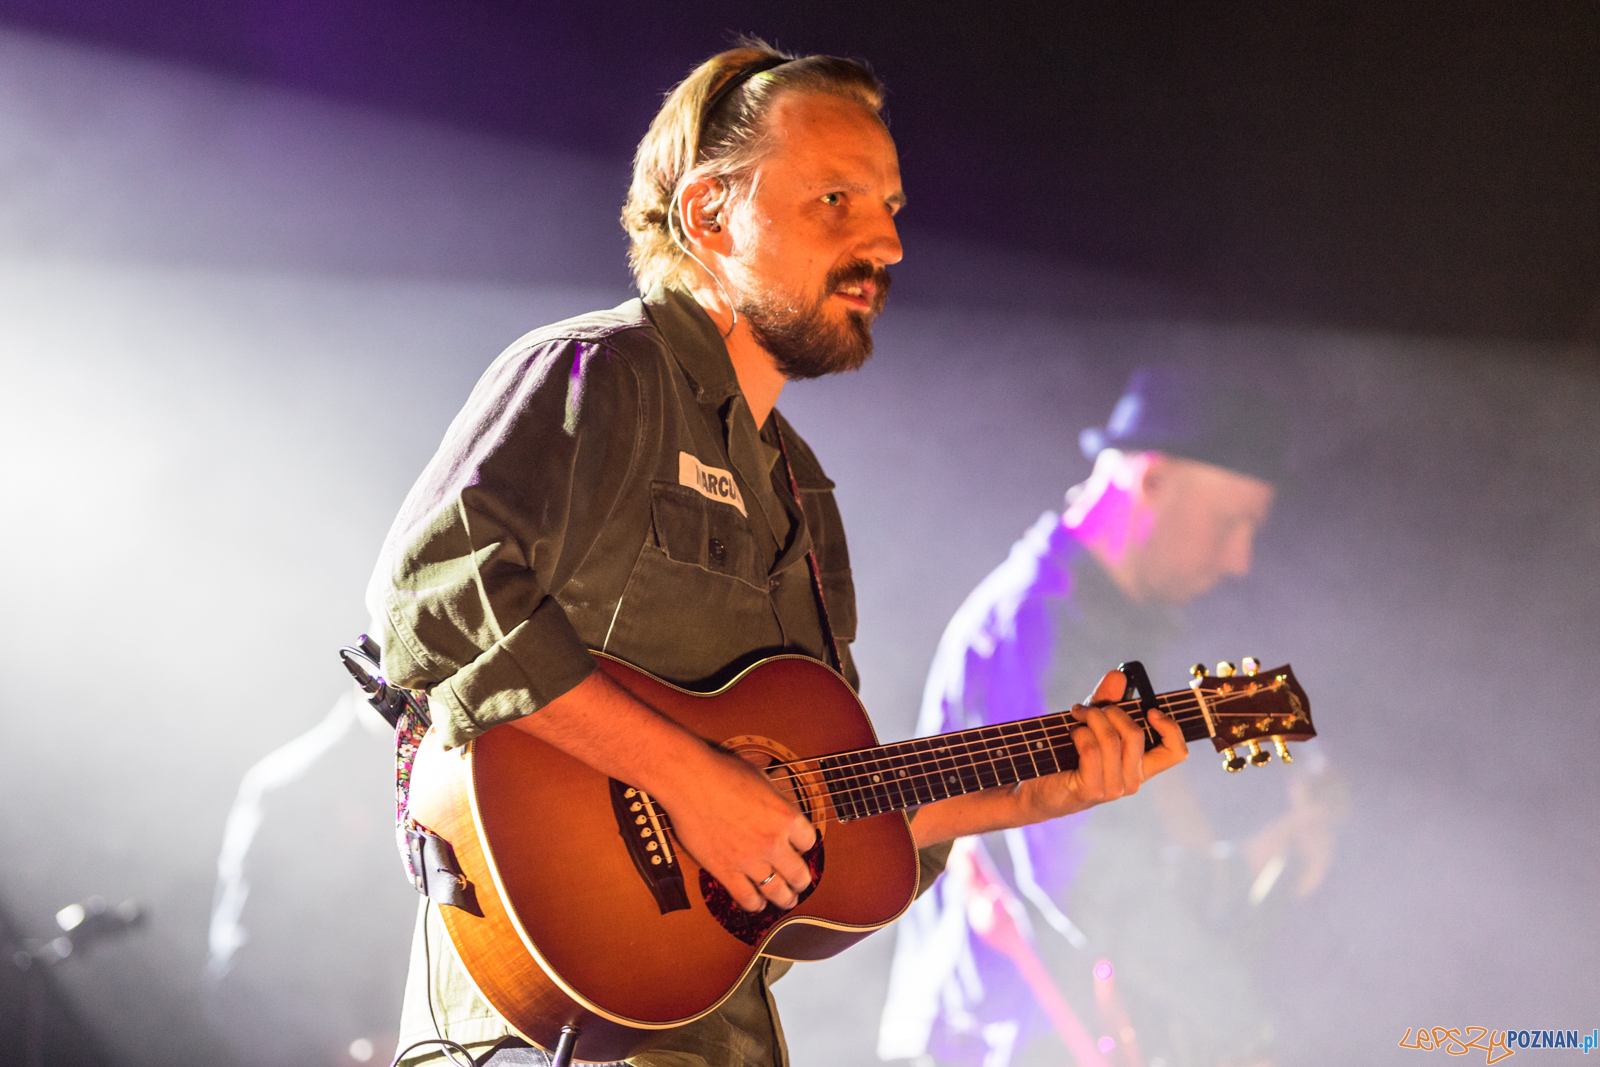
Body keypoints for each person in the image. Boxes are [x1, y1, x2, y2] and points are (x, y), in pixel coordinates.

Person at [366, 42, 1190, 1067]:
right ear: (709, 214)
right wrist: (694, 783)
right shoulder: (600, 373)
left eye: (890, 208)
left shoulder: (805, 492)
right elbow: (433, 596)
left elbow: (821, 810)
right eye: (836, 199)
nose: (886, 243)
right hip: (540, 1033)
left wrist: (1034, 793)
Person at [880, 367, 1341, 1067]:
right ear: (1151, 479)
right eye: (1231, 522)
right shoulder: (1039, 628)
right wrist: (1243, 1029)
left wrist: (1259, 859)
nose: (1240, 559)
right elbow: (1086, 879)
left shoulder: (1104, 639)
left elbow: (1128, 870)